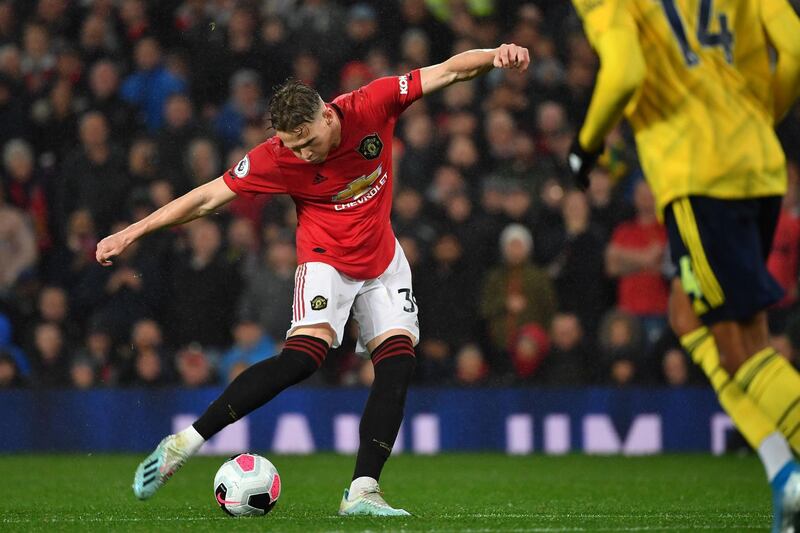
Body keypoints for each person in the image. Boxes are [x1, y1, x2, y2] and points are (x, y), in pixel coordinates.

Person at [96, 43, 530, 516]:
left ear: (327, 113)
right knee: (303, 359)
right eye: (292, 144)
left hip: (382, 259)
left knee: (398, 364)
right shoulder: (276, 156)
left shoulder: (372, 103)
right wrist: (131, 233)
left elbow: (447, 72)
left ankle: (362, 490)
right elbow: (205, 199)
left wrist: (496, 55)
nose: (301, 153)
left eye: (307, 140)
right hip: (326, 261)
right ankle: (185, 442)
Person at [568, 1, 800, 530]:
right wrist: (760, 118)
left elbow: (625, 71)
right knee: (691, 317)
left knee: (741, 352)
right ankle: (782, 472)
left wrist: (585, 146)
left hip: (698, 175)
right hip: (759, 167)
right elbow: (794, 48)